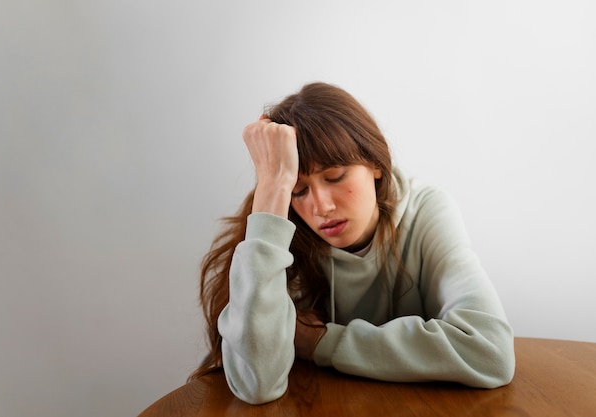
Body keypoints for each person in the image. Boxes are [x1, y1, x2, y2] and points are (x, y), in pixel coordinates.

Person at [189, 82, 515, 404]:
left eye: (334, 177)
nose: (321, 206)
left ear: (375, 163)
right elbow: (255, 383)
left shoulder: (426, 211)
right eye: (298, 190)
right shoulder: (282, 235)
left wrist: (321, 342)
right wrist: (272, 193)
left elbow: (490, 351)